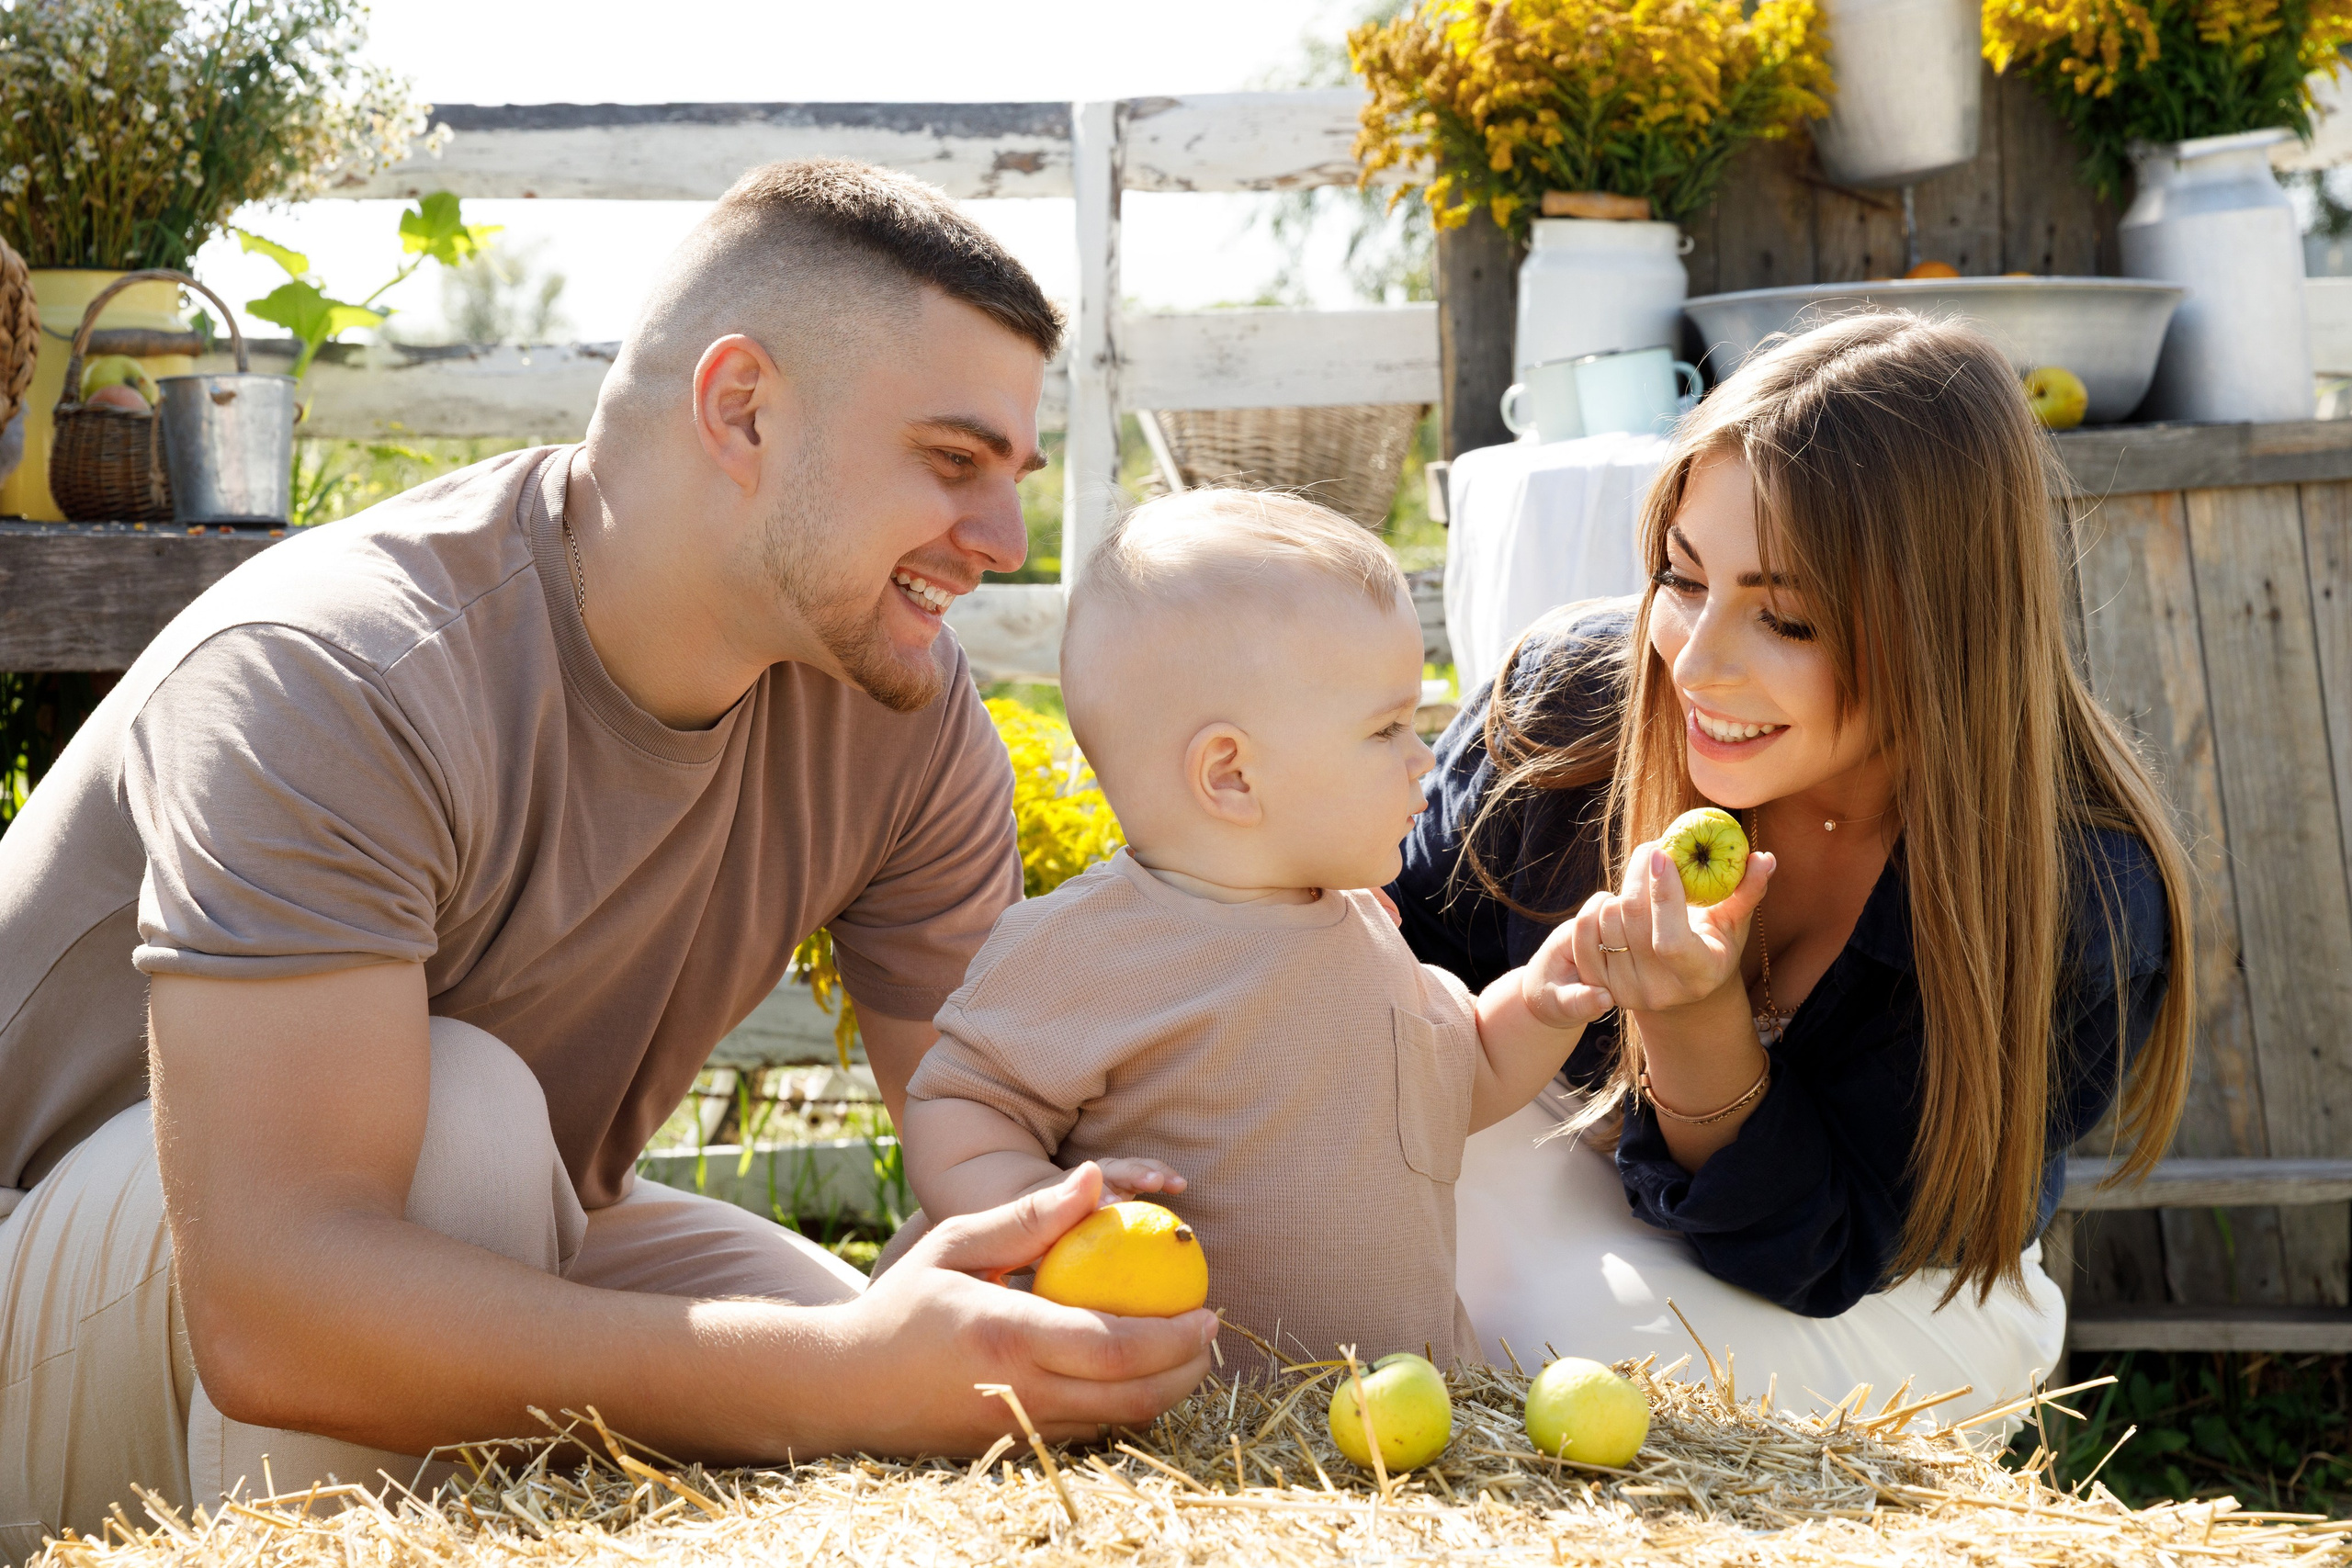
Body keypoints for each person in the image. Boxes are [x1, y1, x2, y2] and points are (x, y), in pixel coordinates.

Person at [0, 159, 1217, 1556]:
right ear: (742, 409)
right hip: (100, 1292)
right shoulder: (338, 671)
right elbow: (277, 1311)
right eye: (953, 463)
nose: (1002, 540)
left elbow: (994, 1135)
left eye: (1012, 474)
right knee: (472, 1118)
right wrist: (849, 1379)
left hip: (507, 1224)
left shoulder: (894, 709)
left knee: (954, 1372)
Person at [1391, 313, 2194, 1408]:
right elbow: (1374, 965)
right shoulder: (1570, 714)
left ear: (1941, 629)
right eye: (1683, 578)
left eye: (1787, 621)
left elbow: (1813, 1251)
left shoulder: (2076, 900)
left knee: (1590, 1351)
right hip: (1535, 1173)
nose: (1698, 662)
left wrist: (1690, 1023)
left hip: (1871, 1292)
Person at [899, 491, 1611, 1370]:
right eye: (1387, 727)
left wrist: (1541, 1001)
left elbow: (1467, 1076)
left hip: (1387, 1429)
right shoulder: (1087, 949)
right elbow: (960, 1106)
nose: (1425, 756)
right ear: (1232, 776)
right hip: (1180, 1435)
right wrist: (1041, 1202)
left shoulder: (1367, 931)